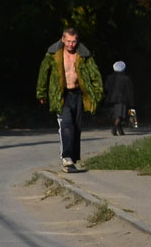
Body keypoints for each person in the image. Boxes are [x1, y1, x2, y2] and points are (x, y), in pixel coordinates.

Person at [36, 26, 103, 172]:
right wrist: (41, 93)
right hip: (61, 94)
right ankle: (66, 157)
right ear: (63, 39)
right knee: (66, 124)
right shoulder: (53, 54)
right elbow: (43, 72)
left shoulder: (83, 55)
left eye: (73, 41)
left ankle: (72, 159)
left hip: (78, 94)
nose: (71, 44)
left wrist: (97, 93)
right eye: (68, 41)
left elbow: (94, 74)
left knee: (77, 127)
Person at [104, 60, 136, 136]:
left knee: (115, 115)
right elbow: (129, 91)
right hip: (121, 99)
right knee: (119, 115)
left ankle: (120, 130)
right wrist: (132, 102)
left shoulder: (109, 77)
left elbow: (106, 88)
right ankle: (114, 128)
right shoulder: (126, 79)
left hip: (110, 99)